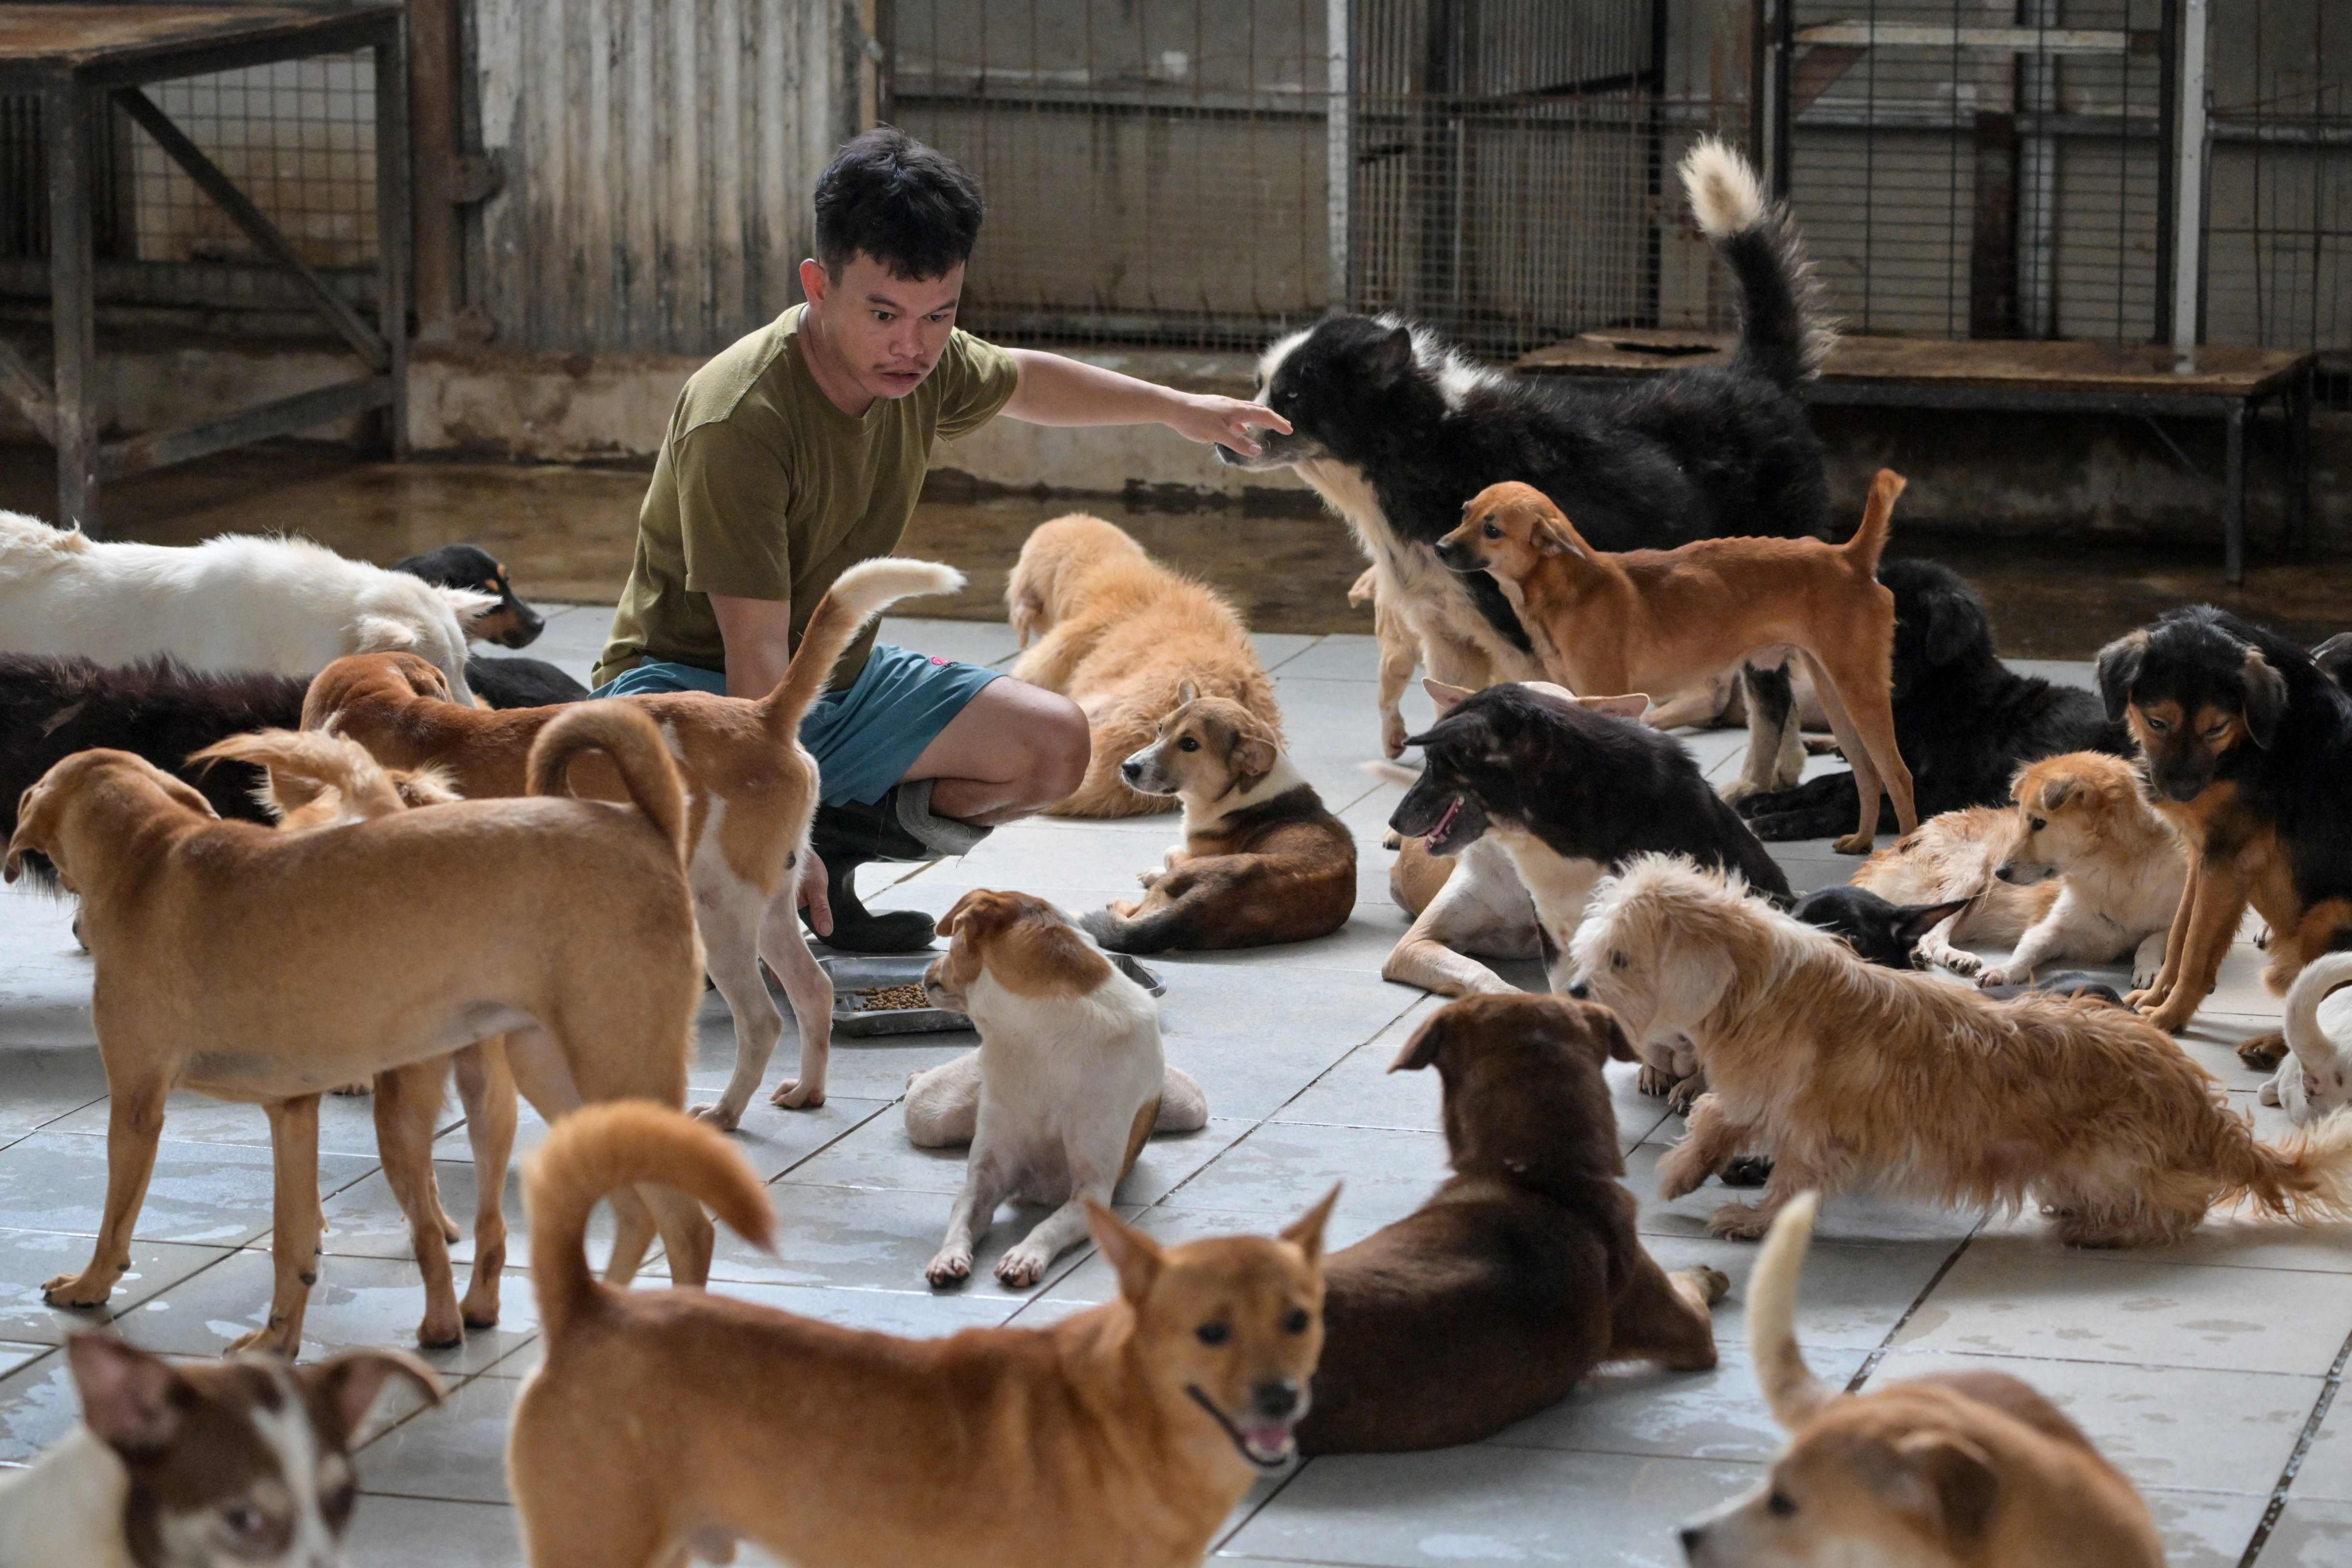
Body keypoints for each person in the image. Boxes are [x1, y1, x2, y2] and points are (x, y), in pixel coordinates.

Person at [591, 127, 1288, 952]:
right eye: (884, 313)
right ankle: (738, 882)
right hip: (690, 693)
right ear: (818, 284)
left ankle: (835, 862)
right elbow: (755, 661)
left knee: (1056, 744)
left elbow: (1025, 378)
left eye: (939, 315)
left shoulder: (920, 364)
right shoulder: (741, 420)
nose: (913, 346)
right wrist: (774, 825)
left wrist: (1181, 408)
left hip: (835, 679)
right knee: (688, 891)